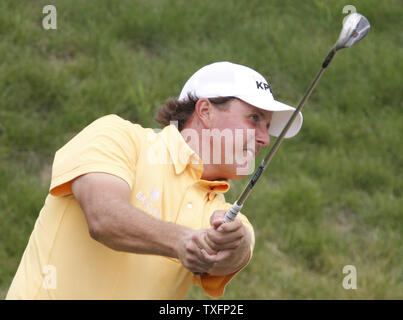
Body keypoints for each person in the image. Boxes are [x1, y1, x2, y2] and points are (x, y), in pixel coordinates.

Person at [6, 61, 302, 299]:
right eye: (254, 118)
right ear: (206, 111)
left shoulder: (225, 214)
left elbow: (235, 253)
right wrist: (182, 241)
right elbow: (103, 217)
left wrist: (237, 242)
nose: (264, 138)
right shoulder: (118, 137)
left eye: (267, 127)